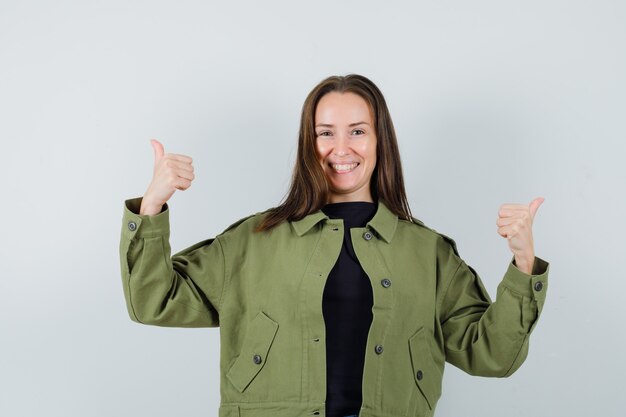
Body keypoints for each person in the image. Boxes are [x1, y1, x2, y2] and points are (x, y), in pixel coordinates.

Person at [119, 74, 549, 417]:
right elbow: (153, 301)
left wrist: (523, 262)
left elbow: (492, 355)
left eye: (358, 131)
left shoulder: (429, 253)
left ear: (381, 141)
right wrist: (152, 206)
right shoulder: (251, 242)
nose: (340, 149)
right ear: (310, 143)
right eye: (325, 133)